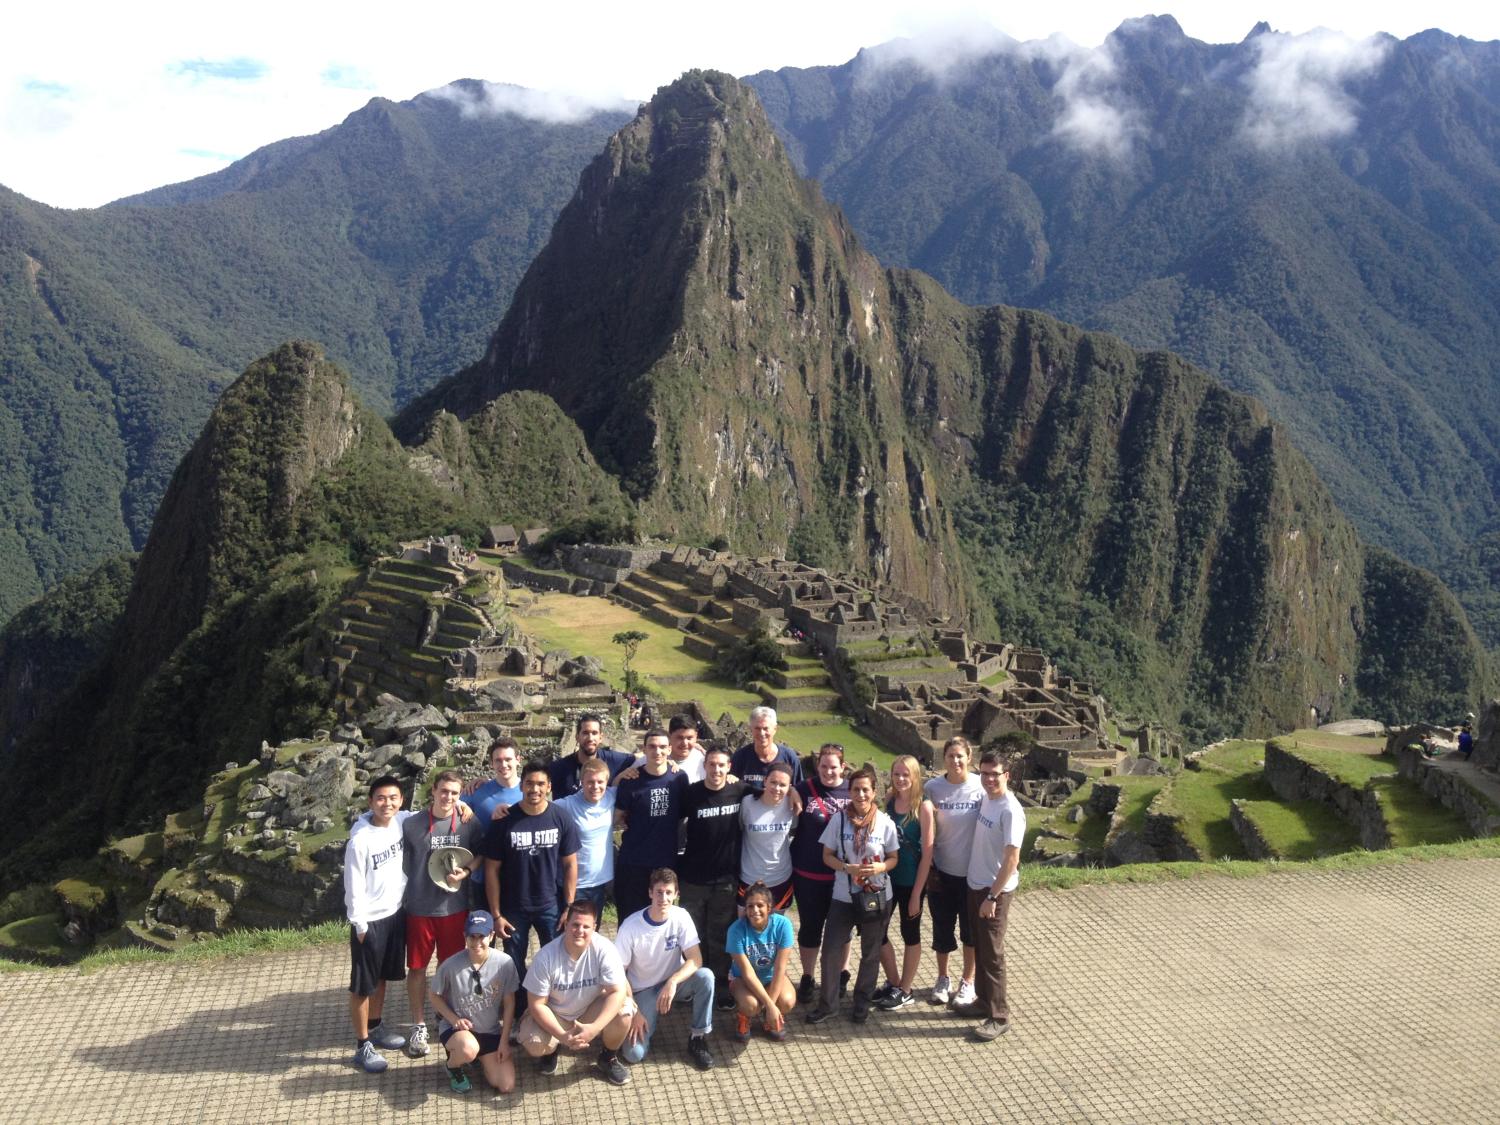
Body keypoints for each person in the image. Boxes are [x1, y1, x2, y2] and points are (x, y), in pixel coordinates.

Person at [400, 770, 486, 1058]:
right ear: (433, 791)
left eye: (454, 793)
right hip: (419, 909)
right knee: (417, 968)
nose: (448, 797)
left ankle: (445, 1018)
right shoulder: (411, 824)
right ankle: (418, 1023)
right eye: (443, 791)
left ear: (460, 795)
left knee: (449, 968)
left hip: (454, 909)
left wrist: (468, 870)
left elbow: (482, 852)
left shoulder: (467, 821)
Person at [805, 766, 899, 1025]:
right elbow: (827, 856)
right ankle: (828, 1004)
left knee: (870, 952)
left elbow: (893, 858)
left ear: (874, 792)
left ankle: (862, 1003)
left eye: (865, 789)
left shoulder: (885, 822)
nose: (860, 794)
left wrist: (880, 867)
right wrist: (847, 867)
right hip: (844, 896)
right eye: (855, 789)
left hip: (876, 895)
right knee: (831, 951)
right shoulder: (839, 820)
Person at [480, 761, 580, 997]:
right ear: (522, 786)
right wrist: (496, 914)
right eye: (529, 783)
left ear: (549, 787)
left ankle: (555, 1005)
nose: (534, 789)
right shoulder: (504, 821)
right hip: (514, 908)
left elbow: (570, 864)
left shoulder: (561, 818)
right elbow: (491, 870)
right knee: (514, 965)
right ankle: (518, 1012)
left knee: (556, 959)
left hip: (551, 905)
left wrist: (569, 906)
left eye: (540, 784)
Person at [518, 900, 636, 1086]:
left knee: (624, 1009)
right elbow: (536, 1005)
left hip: (589, 1010)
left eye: (586, 926)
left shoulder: (605, 949)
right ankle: (551, 1051)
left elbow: (618, 991)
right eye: (575, 924)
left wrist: (595, 1027)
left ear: (594, 928)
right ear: (566, 924)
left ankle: (608, 1058)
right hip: (557, 1015)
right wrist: (562, 1036)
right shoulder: (545, 957)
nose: (580, 930)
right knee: (534, 1043)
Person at [615, 868, 716, 1070]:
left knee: (706, 977)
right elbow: (618, 974)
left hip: (672, 984)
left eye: (669, 892)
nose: (663, 898)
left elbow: (696, 959)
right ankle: (637, 1021)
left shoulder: (681, 916)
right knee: (634, 1055)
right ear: (650, 893)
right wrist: (634, 1010)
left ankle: (698, 1037)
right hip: (642, 991)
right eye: (659, 892)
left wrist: (672, 982)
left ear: (676, 895)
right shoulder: (631, 926)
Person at [957, 749, 1026, 1042]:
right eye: (984, 773)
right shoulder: (988, 798)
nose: (987, 779)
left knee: (993, 953)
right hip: (977, 884)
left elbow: (1012, 859)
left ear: (1006, 776)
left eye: (994, 774)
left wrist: (992, 896)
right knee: (982, 946)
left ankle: (999, 1016)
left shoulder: (1010, 809)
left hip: (993, 890)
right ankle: (983, 1001)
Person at [344, 775, 411, 1073]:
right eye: (381, 798)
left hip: (395, 913)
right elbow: (353, 884)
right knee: (363, 984)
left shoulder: (401, 820)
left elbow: (437, 808)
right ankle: (362, 1045)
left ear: (401, 801)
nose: (388, 803)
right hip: (369, 920)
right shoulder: (360, 839)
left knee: (383, 976)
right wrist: (359, 924)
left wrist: (462, 803)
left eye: (393, 798)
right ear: (370, 802)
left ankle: (376, 1025)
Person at [918, 736, 983, 1009]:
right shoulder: (934, 787)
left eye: (960, 756)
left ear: (969, 757)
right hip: (941, 873)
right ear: (943, 759)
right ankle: (943, 978)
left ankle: (968, 981)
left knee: (970, 933)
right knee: (942, 931)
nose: (955, 761)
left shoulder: (980, 786)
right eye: (950, 756)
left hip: (972, 874)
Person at [679, 746, 745, 1007]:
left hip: (725, 880)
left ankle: (720, 986)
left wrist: (795, 792)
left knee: (720, 936)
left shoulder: (739, 790)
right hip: (693, 879)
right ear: (704, 766)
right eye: (712, 765)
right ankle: (694, 983)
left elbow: (775, 790)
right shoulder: (691, 793)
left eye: (721, 765)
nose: (716, 770)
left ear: (729, 767)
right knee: (694, 937)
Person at [429, 909, 518, 1094]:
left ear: (492, 935)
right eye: (472, 937)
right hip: (459, 1031)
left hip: (489, 1031)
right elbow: (434, 996)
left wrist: (504, 1041)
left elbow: (509, 1003)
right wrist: (454, 1019)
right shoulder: (450, 965)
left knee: (506, 1085)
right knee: (468, 1049)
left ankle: (479, 1058)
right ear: (465, 936)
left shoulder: (505, 963)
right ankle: (453, 1066)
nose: (476, 943)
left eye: (482, 936)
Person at [790, 743, 851, 1005]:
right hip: (808, 874)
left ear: (843, 767)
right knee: (810, 929)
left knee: (842, 931)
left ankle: (841, 974)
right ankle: (807, 977)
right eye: (823, 766)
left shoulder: (852, 790)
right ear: (817, 766)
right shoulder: (803, 790)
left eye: (833, 766)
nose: (828, 771)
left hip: (843, 875)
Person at [875, 754, 934, 1010]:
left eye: (905, 775)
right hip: (886, 880)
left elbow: (928, 854)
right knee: (877, 932)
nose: (900, 779)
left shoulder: (923, 807)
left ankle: (906, 989)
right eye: (896, 774)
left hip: (911, 882)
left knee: (910, 933)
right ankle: (894, 982)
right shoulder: (889, 799)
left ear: (915, 776)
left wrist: (916, 894)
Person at [614, 729, 691, 920]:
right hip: (634, 861)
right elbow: (618, 817)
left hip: (665, 861)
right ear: (644, 749)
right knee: (629, 918)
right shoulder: (631, 780)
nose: (658, 751)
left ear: (669, 749)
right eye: (652, 746)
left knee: (663, 917)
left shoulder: (679, 778)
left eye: (663, 747)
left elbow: (683, 813)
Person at [725, 881, 797, 1041]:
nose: (755, 910)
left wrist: (770, 1007)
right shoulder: (735, 930)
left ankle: (770, 1019)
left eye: (760, 905)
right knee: (752, 1006)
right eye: (750, 906)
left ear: (769, 908)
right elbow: (747, 973)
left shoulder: (783, 925)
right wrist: (770, 1006)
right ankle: (744, 1017)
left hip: (771, 978)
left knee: (787, 1002)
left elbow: (780, 968)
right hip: (743, 980)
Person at [465, 738, 524, 907]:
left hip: (517, 877)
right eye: (498, 760)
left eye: (508, 759)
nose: (503, 764)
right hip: (482, 875)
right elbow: (450, 806)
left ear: (518, 760)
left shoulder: (529, 792)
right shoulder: (476, 792)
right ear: (491, 763)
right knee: (483, 931)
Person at [555, 757, 618, 916]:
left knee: (592, 932)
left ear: (606, 782)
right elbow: (538, 805)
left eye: (600, 782)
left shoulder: (612, 796)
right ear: (581, 781)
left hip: (600, 882)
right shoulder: (568, 804)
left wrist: (670, 761)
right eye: (590, 782)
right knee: (570, 932)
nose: (595, 787)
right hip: (575, 884)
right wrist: (506, 808)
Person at [738, 761, 796, 915]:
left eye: (782, 785)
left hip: (780, 877)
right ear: (765, 781)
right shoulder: (748, 803)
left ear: (790, 787)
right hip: (749, 876)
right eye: (773, 782)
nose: (777, 788)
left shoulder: (792, 805)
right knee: (745, 928)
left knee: (775, 932)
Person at [548, 714, 635, 799]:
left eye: (594, 733)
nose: (590, 738)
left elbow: (640, 757)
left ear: (601, 737)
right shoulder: (558, 768)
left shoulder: (613, 760)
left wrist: (628, 772)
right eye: (585, 733)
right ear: (577, 737)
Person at [729, 706, 804, 792]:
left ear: (775, 729)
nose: (762, 733)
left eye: (766, 728)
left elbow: (798, 791)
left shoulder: (789, 758)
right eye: (757, 728)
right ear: (750, 729)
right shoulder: (740, 757)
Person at [665, 714, 707, 783]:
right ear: (669, 736)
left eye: (689, 738)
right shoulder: (654, 760)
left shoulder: (705, 760)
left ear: (696, 736)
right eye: (679, 738)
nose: (685, 743)